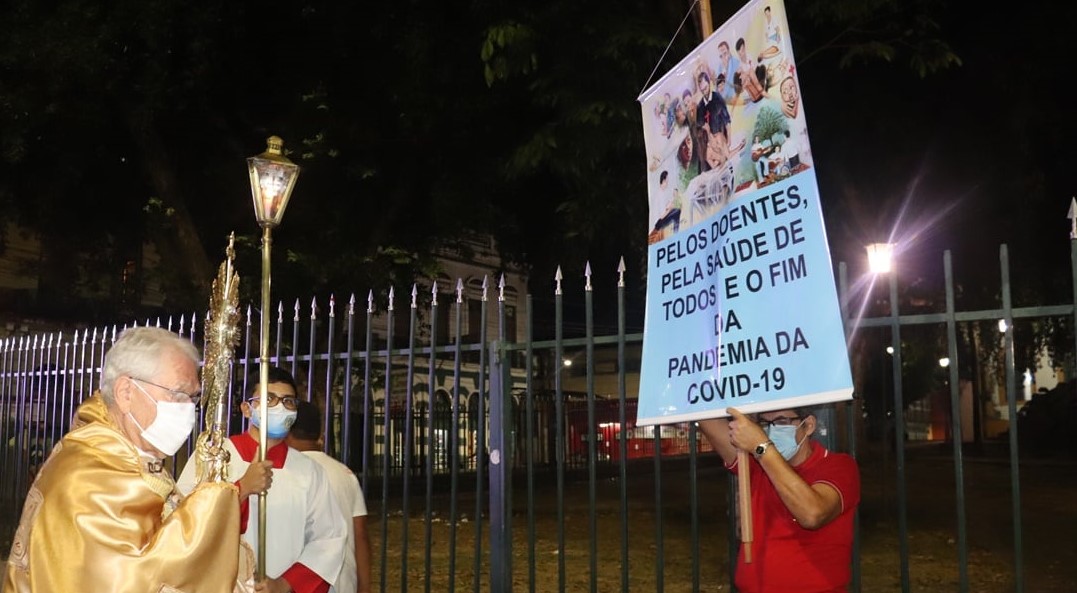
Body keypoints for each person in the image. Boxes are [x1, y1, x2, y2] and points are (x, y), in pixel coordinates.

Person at [4, 326, 270, 592]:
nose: (188, 409)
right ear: (126, 393)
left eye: (193, 397)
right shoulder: (91, 476)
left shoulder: (127, 455)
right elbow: (136, 578)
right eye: (177, 394)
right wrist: (213, 507)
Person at [178, 367, 347, 593]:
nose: (279, 406)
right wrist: (241, 490)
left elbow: (329, 538)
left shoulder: (308, 471)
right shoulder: (213, 456)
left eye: (288, 401)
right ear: (247, 409)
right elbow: (182, 517)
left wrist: (284, 584)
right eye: (269, 399)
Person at [698, 406, 860, 593]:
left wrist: (762, 447)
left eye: (782, 422)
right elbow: (704, 415)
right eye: (765, 425)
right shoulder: (755, 465)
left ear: (808, 425)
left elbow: (812, 514)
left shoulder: (838, 466)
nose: (771, 432)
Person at [287, 400, 372, 593]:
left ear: (287, 431)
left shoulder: (283, 472)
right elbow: (361, 536)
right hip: (343, 583)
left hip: (297, 583)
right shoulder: (345, 473)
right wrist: (365, 587)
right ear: (320, 434)